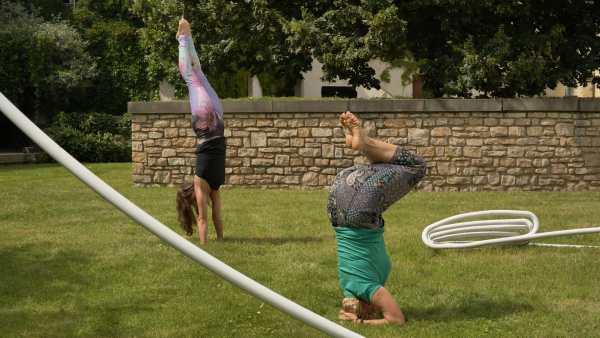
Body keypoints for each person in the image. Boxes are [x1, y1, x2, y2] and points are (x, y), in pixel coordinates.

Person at [328, 112, 427, 325]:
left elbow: (396, 320)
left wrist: (359, 322)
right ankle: (364, 145)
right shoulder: (348, 286)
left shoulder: (371, 291)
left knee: (416, 166)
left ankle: (366, 142)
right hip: (338, 199)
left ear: (366, 306)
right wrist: (348, 313)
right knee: (386, 168)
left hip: (358, 214)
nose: (377, 309)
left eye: (373, 310)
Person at [174, 18, 225, 244]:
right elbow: (211, 218)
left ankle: (185, 39)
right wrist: (220, 239)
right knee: (198, 76)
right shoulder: (204, 184)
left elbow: (206, 218)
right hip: (213, 122)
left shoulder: (206, 184)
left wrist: (204, 247)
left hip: (213, 125)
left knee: (193, 78)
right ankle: (186, 39)